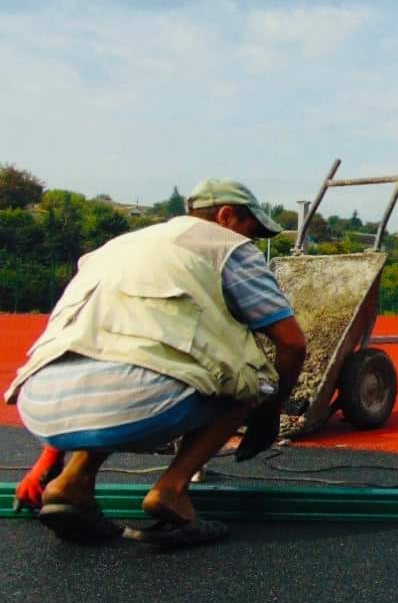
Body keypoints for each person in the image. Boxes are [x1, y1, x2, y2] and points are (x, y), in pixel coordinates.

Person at [4, 178, 307, 545]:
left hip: (42, 407)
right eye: (251, 230)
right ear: (226, 216)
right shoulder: (228, 248)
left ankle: (71, 485)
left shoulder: (116, 246)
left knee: (127, 356)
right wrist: (269, 413)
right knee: (246, 379)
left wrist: (47, 462)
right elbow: (291, 344)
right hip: (138, 402)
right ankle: (172, 491)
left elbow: (86, 347)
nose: (252, 240)